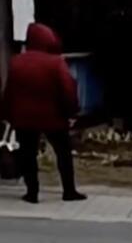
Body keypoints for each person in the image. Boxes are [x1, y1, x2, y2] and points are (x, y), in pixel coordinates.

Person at [0, 23, 85, 203]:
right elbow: (68, 89)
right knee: (63, 152)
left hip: (24, 118)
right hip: (53, 118)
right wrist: (72, 112)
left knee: (28, 154)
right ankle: (69, 190)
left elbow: (10, 91)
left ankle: (32, 192)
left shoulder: (17, 62)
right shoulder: (55, 62)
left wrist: (7, 114)